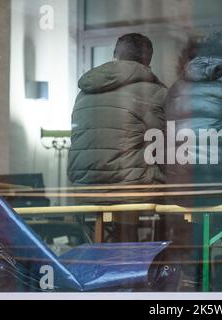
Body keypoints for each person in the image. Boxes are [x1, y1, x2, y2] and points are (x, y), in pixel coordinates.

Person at [163, 30, 222, 291]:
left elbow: (166, 135)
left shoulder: (178, 87)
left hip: (183, 183)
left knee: (194, 246)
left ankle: (193, 286)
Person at [67, 33, 167, 242]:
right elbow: (168, 143)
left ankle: (108, 257)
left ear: (114, 56)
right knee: (177, 192)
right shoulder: (154, 92)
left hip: (85, 187)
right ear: (148, 63)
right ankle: (159, 260)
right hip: (130, 189)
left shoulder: (84, 92)